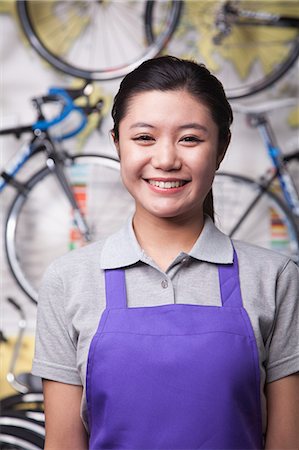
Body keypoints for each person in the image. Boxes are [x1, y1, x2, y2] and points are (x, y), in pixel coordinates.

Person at [32, 56, 299, 449]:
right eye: (144, 137)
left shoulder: (275, 277)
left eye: (190, 138)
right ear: (117, 143)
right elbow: (63, 443)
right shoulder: (68, 280)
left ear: (220, 148)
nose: (166, 159)